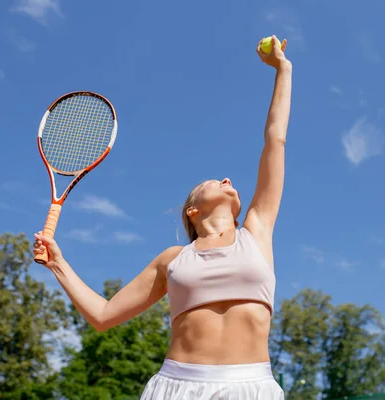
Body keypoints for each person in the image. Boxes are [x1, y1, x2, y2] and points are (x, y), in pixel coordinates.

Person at [33, 35, 292, 399]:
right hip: (177, 386)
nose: (227, 179)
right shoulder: (172, 260)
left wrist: (283, 69)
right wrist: (58, 264)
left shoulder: (257, 230)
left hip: (251, 385)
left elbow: (275, 140)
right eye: (214, 181)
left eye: (228, 180)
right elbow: (104, 316)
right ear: (192, 209)